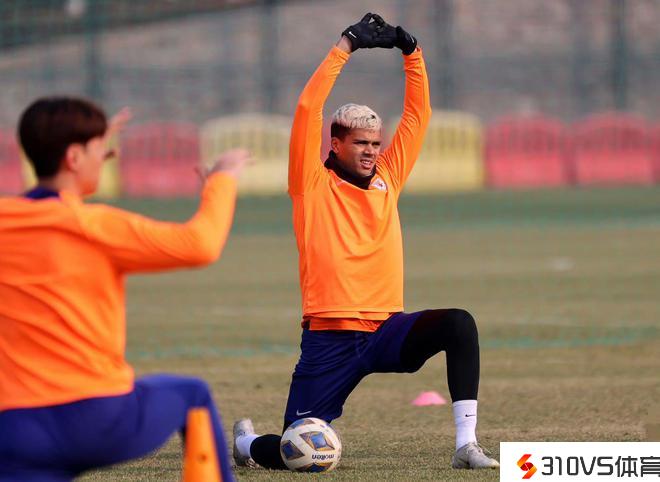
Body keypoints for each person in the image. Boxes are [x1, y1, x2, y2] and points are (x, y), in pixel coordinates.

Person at [232, 13, 499, 471]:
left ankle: (466, 445)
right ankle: (246, 445)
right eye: (361, 143)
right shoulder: (310, 183)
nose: (372, 151)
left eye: (375, 143)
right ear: (335, 144)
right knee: (300, 452)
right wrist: (346, 46)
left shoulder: (387, 179)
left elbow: (418, 116)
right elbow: (307, 109)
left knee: (459, 324)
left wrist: (412, 52)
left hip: (386, 330)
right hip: (329, 339)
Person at [0, 97, 250, 482]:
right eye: (99, 150)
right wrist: (223, 178)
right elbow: (201, 244)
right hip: (97, 419)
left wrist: (86, 143)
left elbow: (50, 208)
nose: (107, 157)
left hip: (16, 432)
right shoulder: (95, 226)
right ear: (73, 157)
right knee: (192, 396)